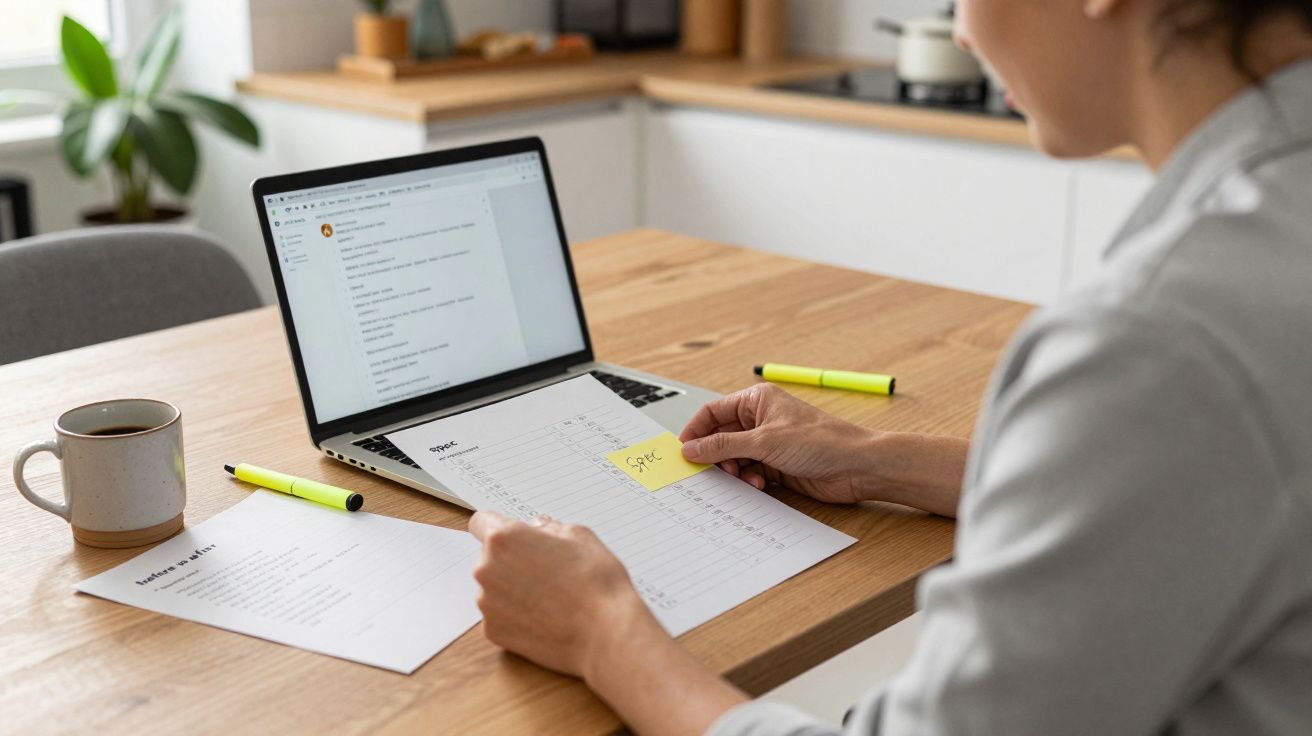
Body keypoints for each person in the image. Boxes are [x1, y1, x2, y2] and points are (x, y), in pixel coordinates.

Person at [466, 0, 1312, 733]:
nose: (963, 31)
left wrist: (602, 632)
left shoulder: (1157, 342)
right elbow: (1192, 480)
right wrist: (881, 463)